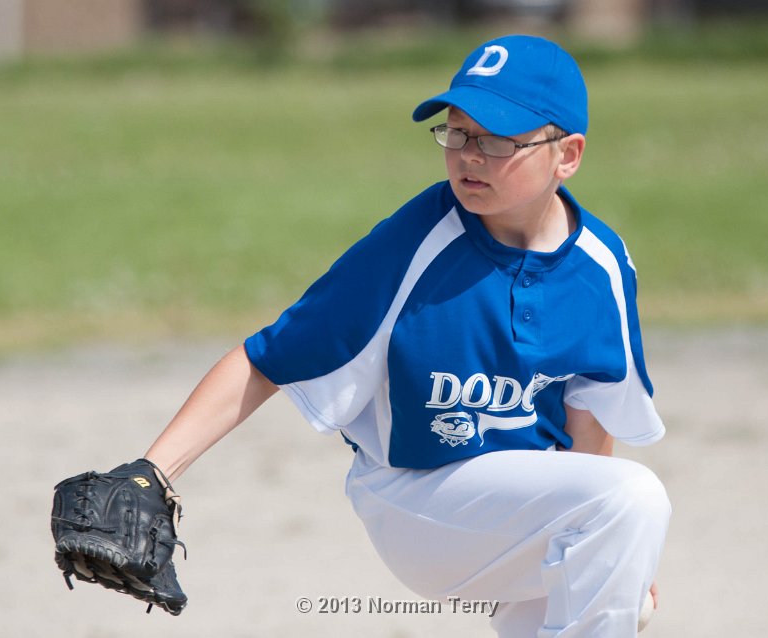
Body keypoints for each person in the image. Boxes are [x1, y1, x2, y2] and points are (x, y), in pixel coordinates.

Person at [143, 34, 671, 637]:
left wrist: (612, 549)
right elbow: (267, 359)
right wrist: (153, 472)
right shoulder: (416, 243)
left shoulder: (602, 266)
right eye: (458, 133)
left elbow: (590, 423)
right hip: (415, 497)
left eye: (498, 140)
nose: (469, 156)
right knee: (634, 496)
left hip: (516, 504)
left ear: (567, 155)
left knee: (620, 526)